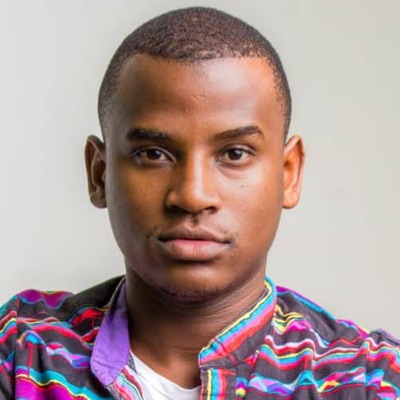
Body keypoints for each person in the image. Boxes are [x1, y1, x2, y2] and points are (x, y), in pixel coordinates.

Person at [0, 6, 399, 400]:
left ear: (288, 174)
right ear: (99, 174)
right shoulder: (22, 355)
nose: (193, 196)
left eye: (235, 153)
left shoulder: (368, 381)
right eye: (153, 154)